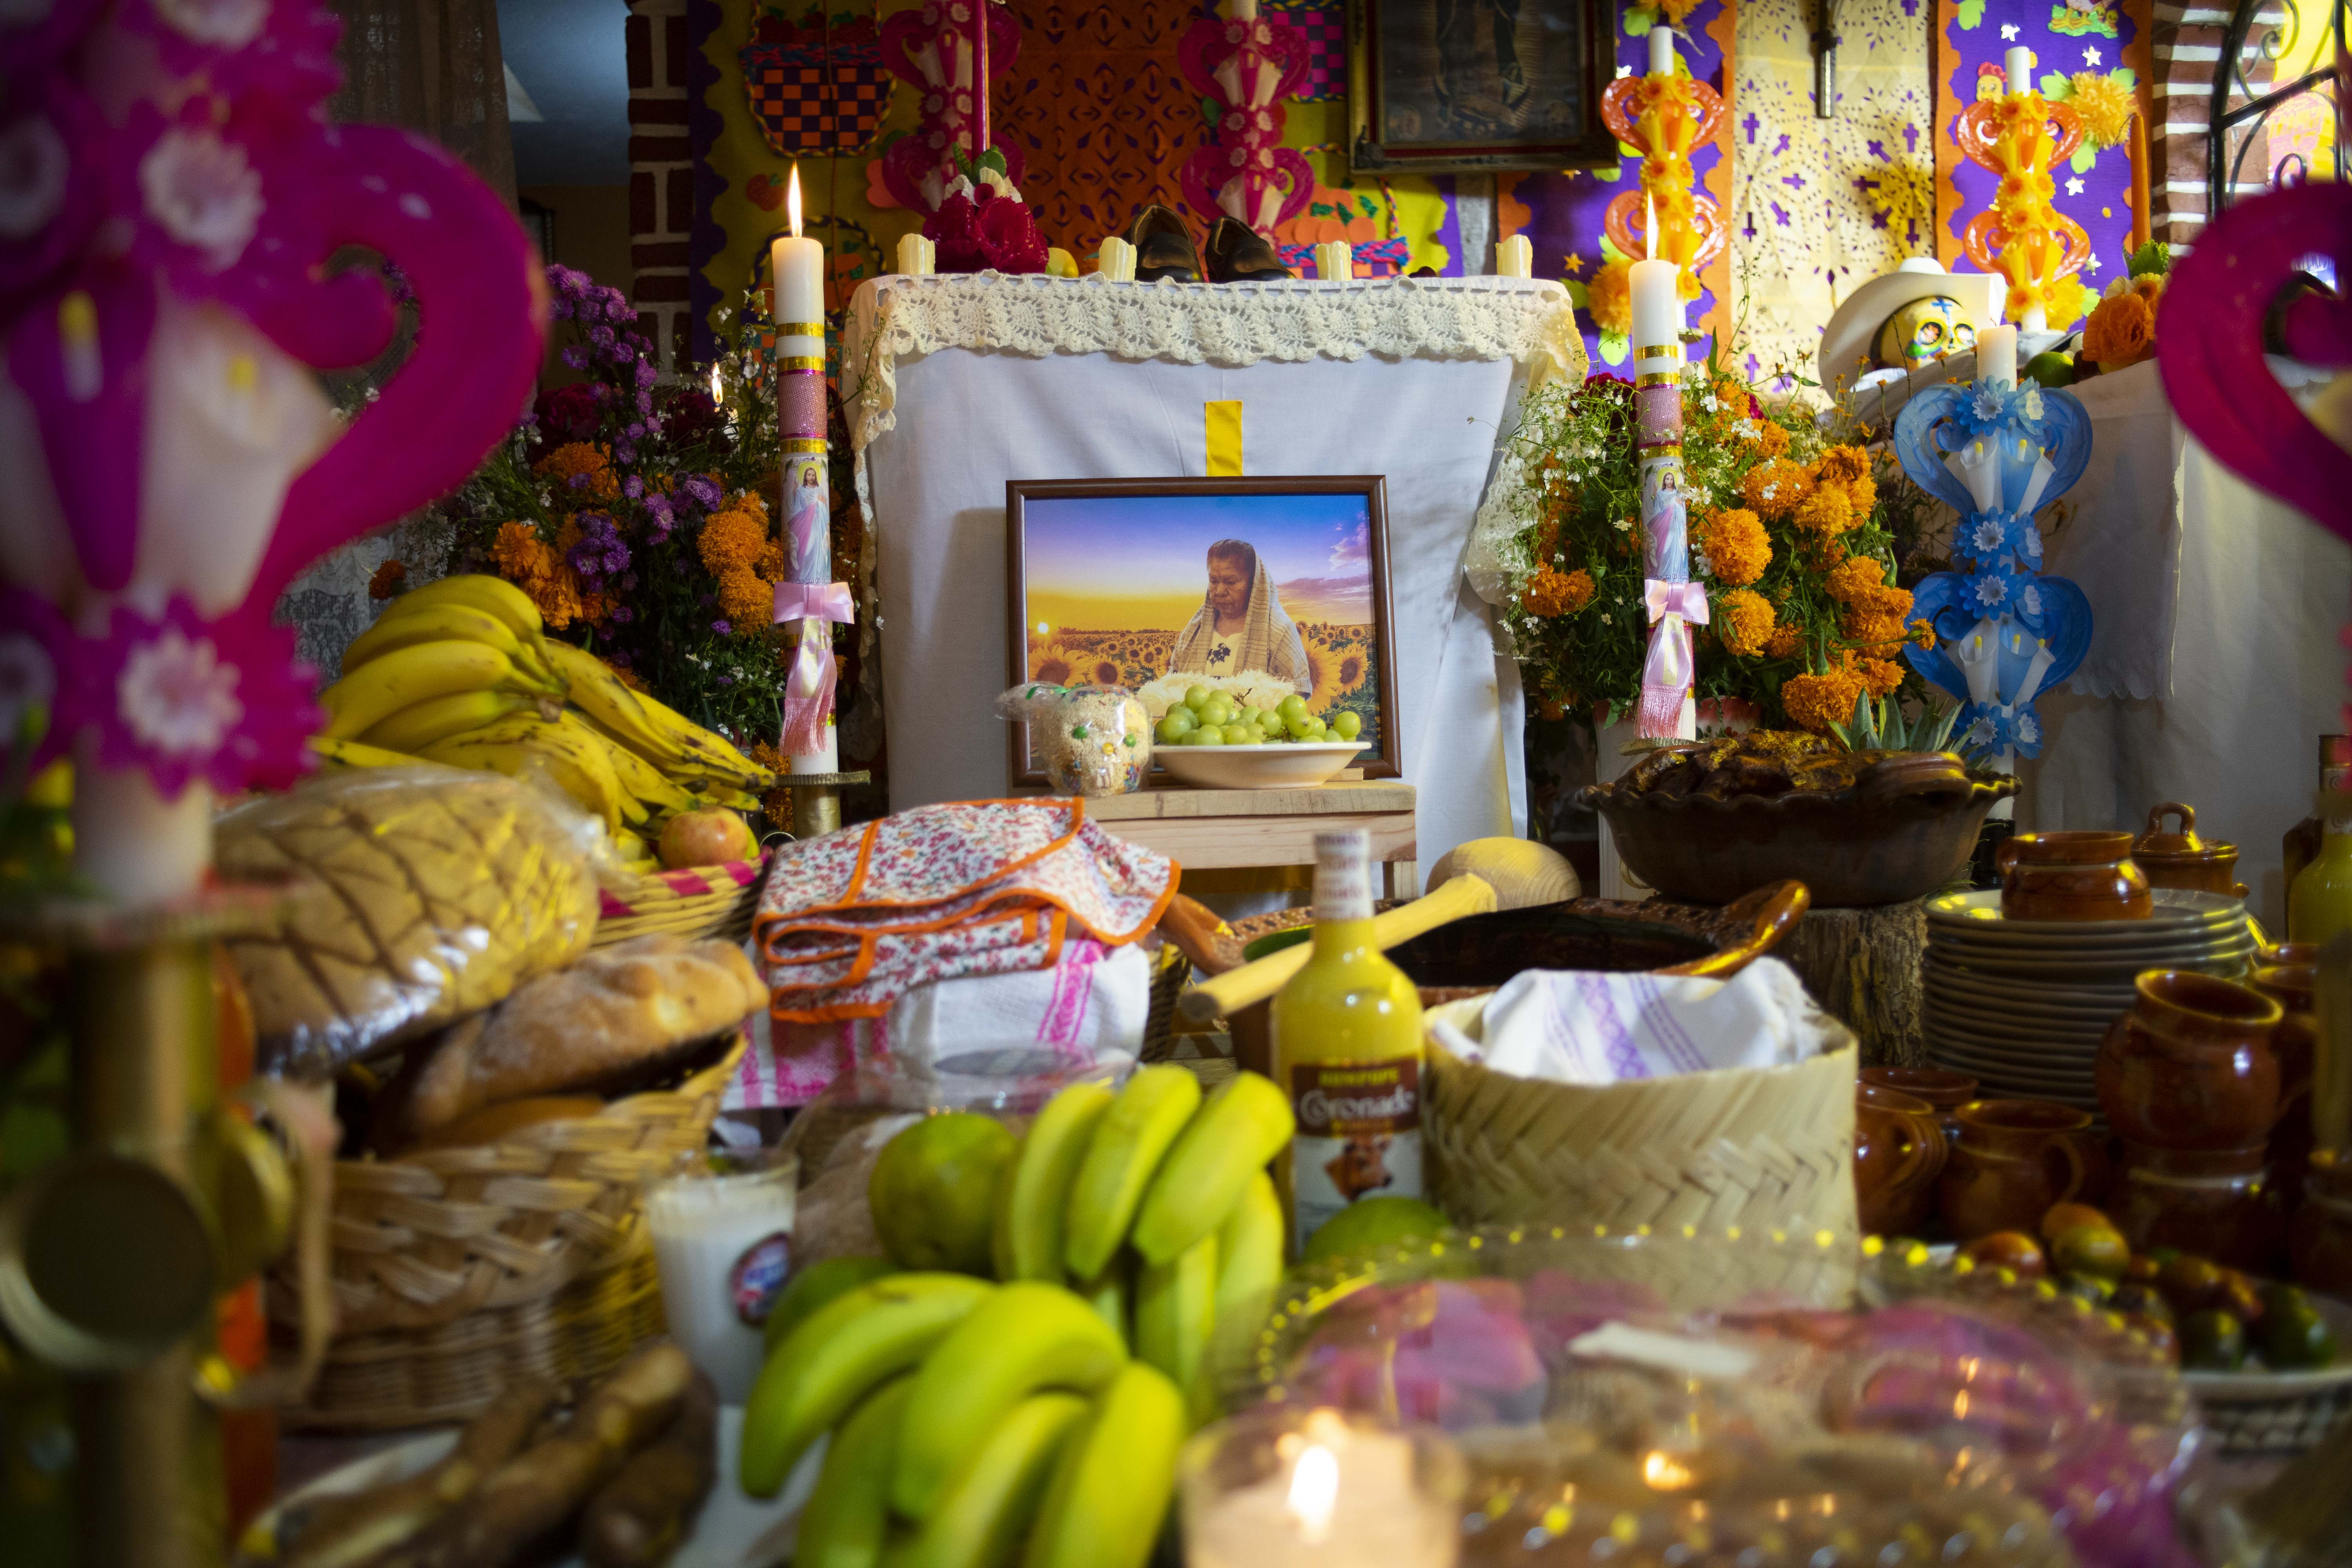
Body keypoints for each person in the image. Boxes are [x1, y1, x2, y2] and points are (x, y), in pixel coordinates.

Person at [1165, 538, 1310, 691]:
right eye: (1214, 581)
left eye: (1231, 582)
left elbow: (1296, 694)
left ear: (1254, 583)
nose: (1220, 591)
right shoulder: (1194, 629)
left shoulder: (1279, 632)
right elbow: (1172, 684)